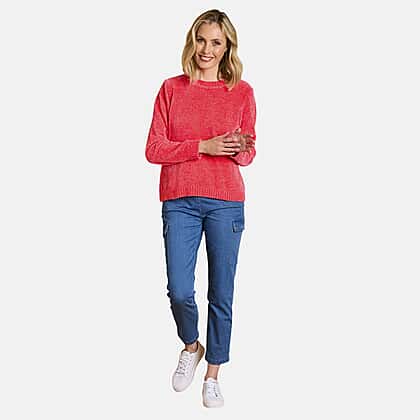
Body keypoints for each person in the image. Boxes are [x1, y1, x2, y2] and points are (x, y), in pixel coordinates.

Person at [145, 9, 257, 408]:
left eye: (216, 43)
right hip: (179, 202)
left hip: (226, 202)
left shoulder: (241, 92)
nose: (206, 49)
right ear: (192, 41)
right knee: (179, 289)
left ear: (227, 48)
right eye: (201, 39)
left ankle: (213, 374)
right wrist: (203, 146)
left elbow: (249, 153)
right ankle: (191, 346)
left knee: (221, 292)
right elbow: (153, 149)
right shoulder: (171, 89)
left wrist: (239, 148)